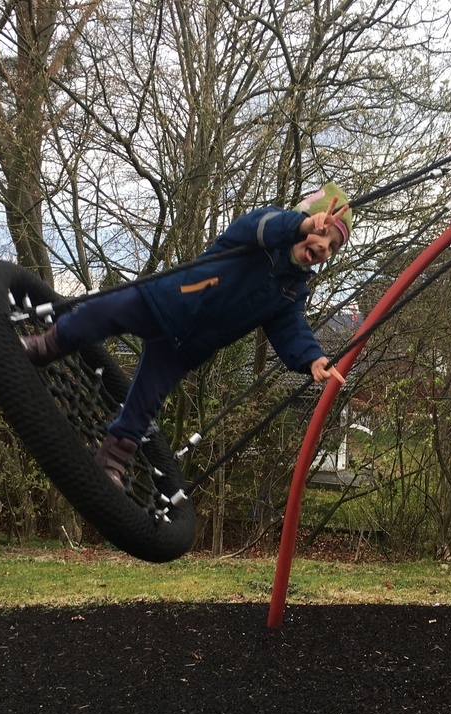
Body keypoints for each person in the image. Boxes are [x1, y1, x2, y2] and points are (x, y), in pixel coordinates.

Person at [22, 182, 353, 489]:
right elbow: (257, 225)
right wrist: (300, 225)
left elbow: (289, 327)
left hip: (188, 345)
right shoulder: (259, 239)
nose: (324, 246)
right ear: (303, 220)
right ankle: (47, 346)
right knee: (100, 313)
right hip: (164, 301)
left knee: (147, 399)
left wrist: (312, 358)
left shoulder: (293, 291)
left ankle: (112, 460)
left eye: (333, 246)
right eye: (321, 232)